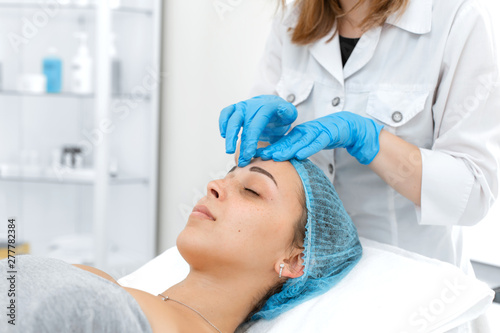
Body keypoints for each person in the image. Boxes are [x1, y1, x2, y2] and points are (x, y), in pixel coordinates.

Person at [219, 0, 500, 274]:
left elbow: (472, 195)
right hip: (308, 275)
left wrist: (370, 141)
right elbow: (258, 165)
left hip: (409, 281)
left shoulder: (459, 17)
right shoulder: (295, 18)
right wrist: (265, 140)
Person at [0, 158, 362, 333]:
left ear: (295, 259)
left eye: (252, 190)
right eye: (225, 176)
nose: (214, 186)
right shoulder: (104, 282)